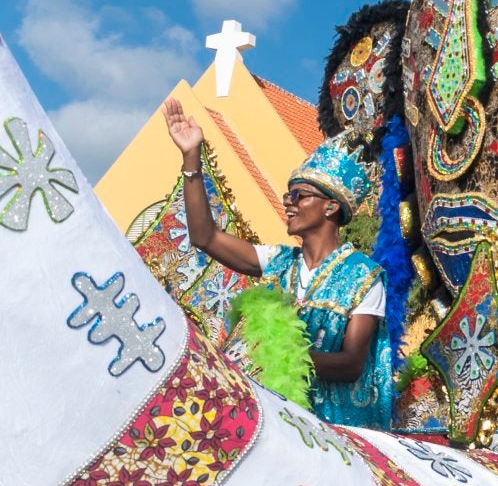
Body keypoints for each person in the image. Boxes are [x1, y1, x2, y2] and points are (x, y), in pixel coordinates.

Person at [164, 98, 394, 428]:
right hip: (272, 419)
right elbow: (206, 237)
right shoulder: (279, 262)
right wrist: (191, 158)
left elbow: (351, 363)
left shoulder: (364, 276)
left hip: (330, 431)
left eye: (299, 195)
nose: (288, 203)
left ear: (330, 207)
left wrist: (278, 356)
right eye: (288, 195)